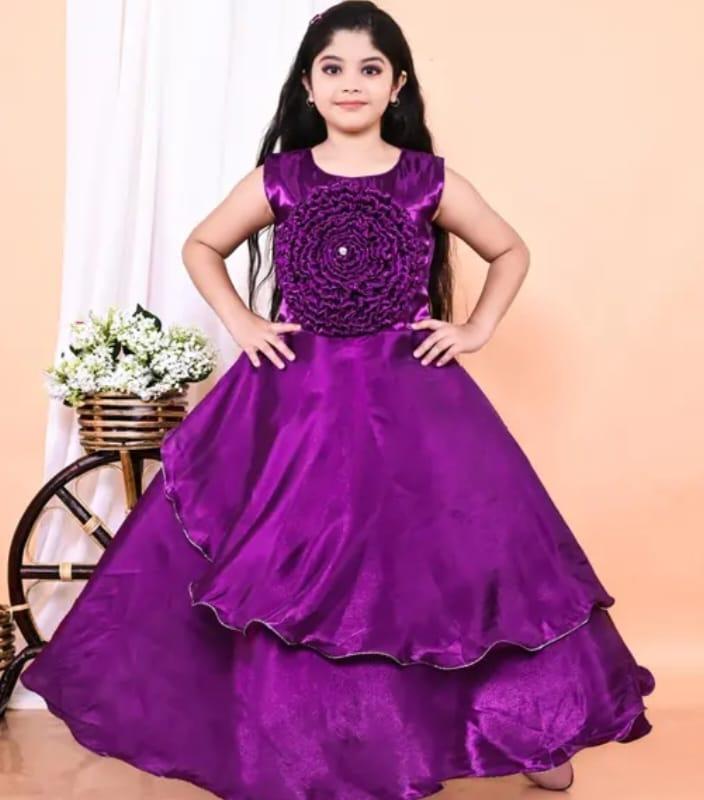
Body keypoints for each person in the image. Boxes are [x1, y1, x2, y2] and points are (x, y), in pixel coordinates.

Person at [21, 2, 655, 797]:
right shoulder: (282, 179)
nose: (350, 83)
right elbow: (202, 244)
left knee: (464, 557)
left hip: (414, 399)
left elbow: (509, 249)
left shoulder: (427, 181)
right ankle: (316, 740)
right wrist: (243, 321)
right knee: (301, 568)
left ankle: (523, 726)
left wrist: (476, 328)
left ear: (397, 85)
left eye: (368, 68)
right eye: (332, 68)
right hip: (300, 405)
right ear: (308, 85)